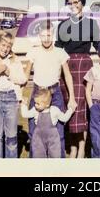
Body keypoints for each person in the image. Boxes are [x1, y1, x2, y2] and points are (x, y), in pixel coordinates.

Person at [55, 0, 100, 158]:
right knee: (70, 106)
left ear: (82, 3)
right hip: (67, 68)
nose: (73, 5)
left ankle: (81, 147)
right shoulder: (62, 25)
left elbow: (99, 46)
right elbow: (58, 50)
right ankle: (73, 146)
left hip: (84, 67)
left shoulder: (91, 24)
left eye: (76, 2)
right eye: (70, 3)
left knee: (82, 108)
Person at [24, 20, 76, 158]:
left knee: (58, 133)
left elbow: (68, 76)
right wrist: (20, 95)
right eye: (43, 35)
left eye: (49, 35)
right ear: (39, 36)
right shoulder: (33, 52)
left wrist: (72, 97)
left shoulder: (60, 52)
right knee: (34, 131)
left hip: (55, 94)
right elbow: (25, 75)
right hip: (38, 93)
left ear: (53, 35)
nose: (46, 39)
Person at [20, 88, 77, 158]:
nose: (35, 105)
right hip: (38, 139)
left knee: (55, 155)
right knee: (38, 156)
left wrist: (71, 110)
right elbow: (25, 114)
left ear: (47, 104)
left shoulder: (54, 110)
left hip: (52, 139)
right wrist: (24, 105)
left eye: (38, 103)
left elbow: (64, 118)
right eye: (35, 103)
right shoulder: (35, 110)